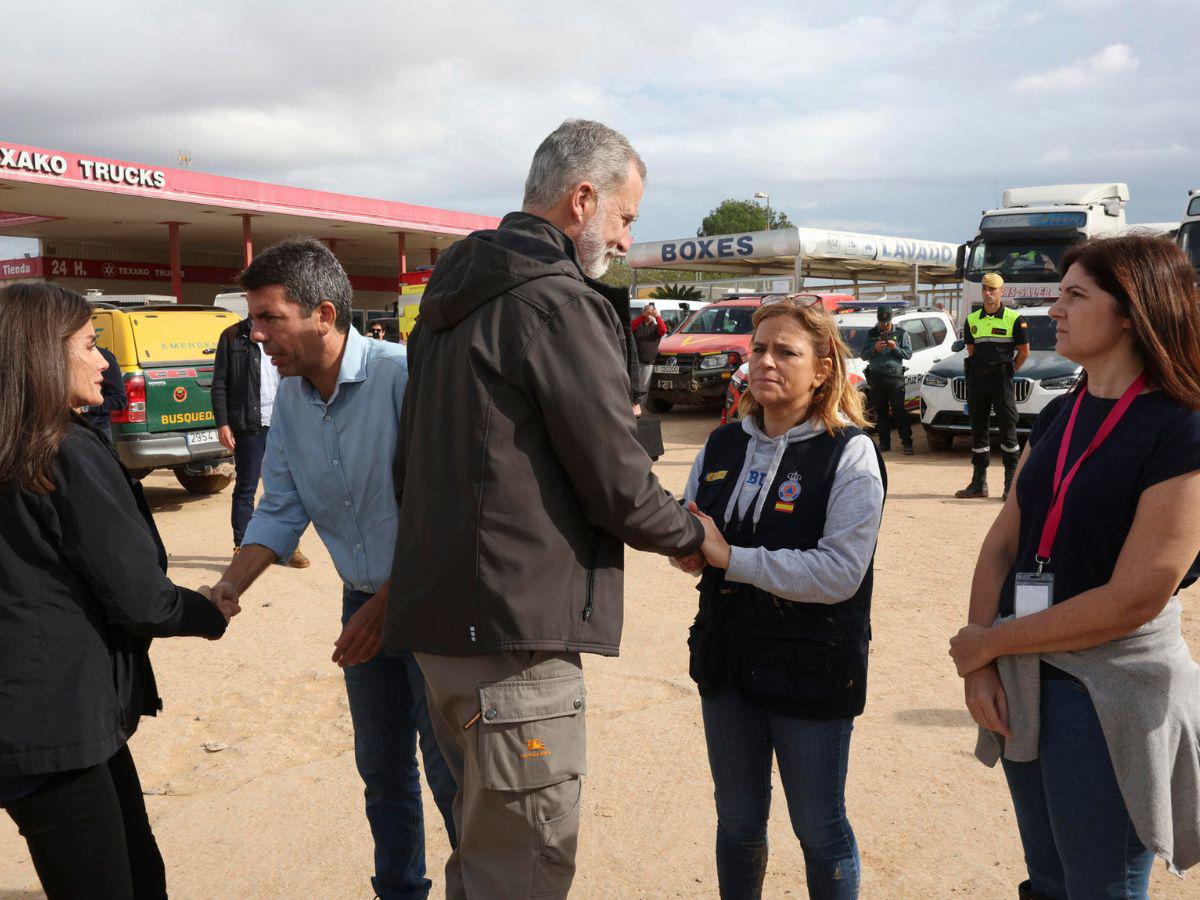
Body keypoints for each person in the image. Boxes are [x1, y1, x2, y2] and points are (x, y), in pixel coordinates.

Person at [383, 119, 705, 899]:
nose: (625, 239)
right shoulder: (558, 303)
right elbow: (617, 481)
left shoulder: (447, 301)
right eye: (625, 217)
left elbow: (408, 465)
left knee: (482, 857)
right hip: (513, 644)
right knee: (523, 867)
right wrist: (694, 534)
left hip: (447, 634)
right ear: (582, 199)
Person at [949, 236, 1200, 898]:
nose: (1053, 310)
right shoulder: (1061, 412)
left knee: (1099, 887)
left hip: (1108, 690)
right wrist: (981, 663)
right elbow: (1002, 544)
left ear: (1133, 313)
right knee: (1050, 882)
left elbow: (1135, 598)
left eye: (1075, 296)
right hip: (1027, 677)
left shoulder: (1182, 427)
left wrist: (991, 643)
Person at [207, 239, 456, 900]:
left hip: (432, 611)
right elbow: (281, 506)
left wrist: (386, 608)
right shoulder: (290, 399)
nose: (255, 335)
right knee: (382, 772)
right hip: (363, 607)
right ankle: (399, 890)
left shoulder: (405, 378)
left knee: (454, 776)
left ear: (323, 314)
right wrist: (229, 585)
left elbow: (453, 512)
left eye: (269, 318)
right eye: (253, 320)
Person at [0, 282, 235, 899]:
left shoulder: (17, 443)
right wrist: (208, 611)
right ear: (42, 354)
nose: (104, 362)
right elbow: (141, 598)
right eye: (89, 345)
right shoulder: (61, 450)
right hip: (56, 725)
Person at [682, 297, 885, 899]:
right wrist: (687, 550)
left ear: (822, 369)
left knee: (819, 828)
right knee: (737, 823)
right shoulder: (722, 444)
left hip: (811, 668)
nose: (766, 362)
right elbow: (698, 531)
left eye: (786, 352)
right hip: (726, 661)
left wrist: (729, 558)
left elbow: (840, 574)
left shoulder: (850, 452)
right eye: (759, 349)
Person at [211, 314, 309, 567]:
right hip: (249, 424)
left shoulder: (284, 332)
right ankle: (242, 547)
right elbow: (219, 383)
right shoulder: (232, 336)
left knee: (287, 487)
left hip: (283, 422)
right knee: (246, 488)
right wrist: (223, 423)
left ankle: (288, 546)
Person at [955, 272, 1029, 499]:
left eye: (992, 289)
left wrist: (1008, 372)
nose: (988, 293)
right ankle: (979, 484)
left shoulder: (1014, 319)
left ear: (1001, 292)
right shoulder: (972, 319)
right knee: (978, 429)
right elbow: (971, 351)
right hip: (977, 380)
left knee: (1008, 429)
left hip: (1001, 380)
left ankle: (1010, 485)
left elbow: (1024, 352)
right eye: (985, 289)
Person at [859, 304, 913, 454]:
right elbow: (863, 355)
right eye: (882, 323)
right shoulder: (870, 334)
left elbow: (908, 354)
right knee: (881, 412)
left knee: (899, 411)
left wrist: (895, 348)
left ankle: (907, 443)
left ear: (891, 319)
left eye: (887, 323)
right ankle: (884, 443)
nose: (885, 326)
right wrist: (874, 349)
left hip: (895, 377)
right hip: (876, 377)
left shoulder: (901, 333)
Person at [79, 343, 127, 441]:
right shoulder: (58, 356)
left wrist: (85, 408)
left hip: (96, 430)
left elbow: (119, 400)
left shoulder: (104, 357)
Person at [630, 301, 668, 406]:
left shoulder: (656, 328)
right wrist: (643, 316)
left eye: (651, 312)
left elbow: (663, 330)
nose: (649, 314)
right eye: (647, 311)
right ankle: (632, 408)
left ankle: (639, 409)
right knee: (632, 387)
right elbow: (630, 326)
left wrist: (657, 316)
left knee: (643, 389)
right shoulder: (638, 326)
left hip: (647, 364)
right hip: (635, 363)